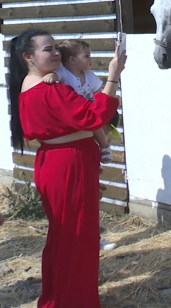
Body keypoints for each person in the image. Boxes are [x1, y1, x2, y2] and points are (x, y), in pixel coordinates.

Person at [8, 29, 125, 308]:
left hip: (58, 161)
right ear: (29, 57)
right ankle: (73, 304)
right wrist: (113, 75)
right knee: (77, 235)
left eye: (55, 48)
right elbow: (95, 115)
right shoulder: (49, 90)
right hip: (68, 162)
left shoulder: (34, 83)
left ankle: (57, 297)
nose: (55, 53)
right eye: (48, 50)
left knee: (63, 235)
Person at [43, 39, 118, 251]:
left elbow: (99, 95)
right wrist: (51, 76)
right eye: (87, 56)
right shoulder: (64, 75)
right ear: (72, 59)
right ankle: (104, 147)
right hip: (76, 124)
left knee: (90, 194)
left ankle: (104, 146)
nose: (91, 60)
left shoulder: (90, 77)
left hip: (86, 121)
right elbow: (55, 78)